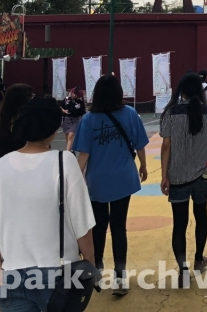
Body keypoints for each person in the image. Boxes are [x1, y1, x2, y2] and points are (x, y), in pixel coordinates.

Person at [0, 97, 97, 311]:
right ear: (55, 126)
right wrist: (90, 265)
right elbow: (82, 225)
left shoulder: (1, 166)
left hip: (10, 276)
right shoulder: (65, 162)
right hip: (58, 276)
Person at [73, 74, 149, 296]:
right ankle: (120, 277)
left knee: (98, 227)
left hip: (97, 181)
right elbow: (140, 144)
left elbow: (84, 155)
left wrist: (75, 181)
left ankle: (96, 271)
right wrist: (143, 166)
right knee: (119, 227)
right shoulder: (130, 114)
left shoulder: (89, 120)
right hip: (123, 178)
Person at [159, 72, 207, 284]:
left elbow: (166, 146)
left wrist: (164, 176)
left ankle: (182, 270)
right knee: (201, 216)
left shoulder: (170, 114)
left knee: (179, 224)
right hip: (204, 173)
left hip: (177, 175)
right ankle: (199, 259)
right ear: (200, 92)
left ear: (181, 91)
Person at [60, 87, 86, 151]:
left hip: (75, 120)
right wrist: (64, 111)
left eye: (75, 94)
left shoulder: (80, 102)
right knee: (67, 136)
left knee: (70, 136)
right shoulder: (66, 99)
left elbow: (83, 112)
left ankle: (67, 152)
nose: (73, 95)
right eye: (73, 93)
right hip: (66, 119)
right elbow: (61, 107)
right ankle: (70, 150)